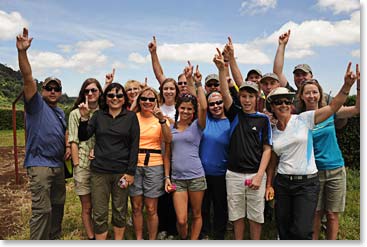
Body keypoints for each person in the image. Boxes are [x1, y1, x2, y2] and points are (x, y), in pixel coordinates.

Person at [265, 62, 357, 240]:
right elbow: (273, 162)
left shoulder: (304, 119)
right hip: (283, 183)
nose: (283, 105)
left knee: (301, 231)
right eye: (278, 102)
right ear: (272, 107)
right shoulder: (273, 131)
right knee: (283, 228)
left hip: (307, 184)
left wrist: (347, 86)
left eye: (286, 101)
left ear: (291, 104)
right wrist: (269, 184)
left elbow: (333, 107)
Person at [16, 27, 70, 240]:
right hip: (39, 165)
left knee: (58, 206)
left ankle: (53, 239)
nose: (53, 91)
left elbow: (64, 133)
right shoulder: (36, 104)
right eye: (49, 87)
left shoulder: (60, 112)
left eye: (57, 88)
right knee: (42, 210)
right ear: (43, 90)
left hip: (57, 166)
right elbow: (28, 77)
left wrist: (66, 146)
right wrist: (22, 52)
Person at [214, 48, 272, 240]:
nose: (247, 100)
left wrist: (259, 175)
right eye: (244, 96)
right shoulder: (235, 114)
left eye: (251, 96)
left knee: (256, 216)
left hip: (256, 174)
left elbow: (267, 150)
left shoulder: (263, 120)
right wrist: (223, 69)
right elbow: (224, 92)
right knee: (237, 215)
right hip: (234, 174)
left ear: (257, 98)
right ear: (240, 97)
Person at [296, 70, 360, 240]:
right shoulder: (299, 119)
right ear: (301, 96)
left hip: (335, 170)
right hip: (313, 173)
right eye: (307, 92)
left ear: (320, 94)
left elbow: (357, 109)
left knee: (332, 214)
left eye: (314, 92)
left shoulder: (331, 113)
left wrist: (357, 85)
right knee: (315, 214)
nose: (311, 96)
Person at [78, 82, 139, 240]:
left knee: (120, 210)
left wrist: (131, 172)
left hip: (121, 172)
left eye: (119, 95)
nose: (115, 98)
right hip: (99, 172)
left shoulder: (131, 117)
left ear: (124, 98)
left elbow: (134, 146)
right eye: (111, 95)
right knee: (99, 212)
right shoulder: (98, 116)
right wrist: (84, 118)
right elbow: (84, 136)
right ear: (106, 98)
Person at [165, 65, 207, 240]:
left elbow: (203, 107)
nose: (186, 111)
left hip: (196, 177)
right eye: (183, 108)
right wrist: (167, 177)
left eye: (190, 109)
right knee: (182, 220)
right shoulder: (171, 127)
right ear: (178, 109)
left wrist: (197, 83)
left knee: (196, 214)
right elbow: (167, 154)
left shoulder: (198, 126)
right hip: (178, 179)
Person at [129, 87, 172, 240]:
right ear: (139, 101)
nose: (147, 102)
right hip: (134, 165)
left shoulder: (162, 119)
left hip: (154, 165)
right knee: (136, 207)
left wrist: (161, 120)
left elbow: (168, 140)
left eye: (151, 99)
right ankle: (139, 238)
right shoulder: (132, 117)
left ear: (156, 101)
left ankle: (152, 240)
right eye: (144, 99)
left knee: (151, 208)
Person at [68, 78, 103, 240]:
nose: (90, 93)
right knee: (87, 206)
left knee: (100, 205)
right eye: (87, 91)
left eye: (94, 90)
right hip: (82, 163)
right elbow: (73, 140)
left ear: (100, 92)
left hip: (102, 165)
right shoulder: (75, 113)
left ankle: (100, 232)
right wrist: (76, 165)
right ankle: (91, 237)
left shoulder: (104, 112)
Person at [199, 91, 230, 240]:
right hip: (202, 173)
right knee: (203, 207)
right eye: (212, 104)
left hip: (221, 173)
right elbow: (200, 104)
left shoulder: (231, 121)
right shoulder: (205, 120)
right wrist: (197, 83)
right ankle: (203, 233)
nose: (216, 106)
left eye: (219, 102)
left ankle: (219, 236)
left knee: (220, 207)